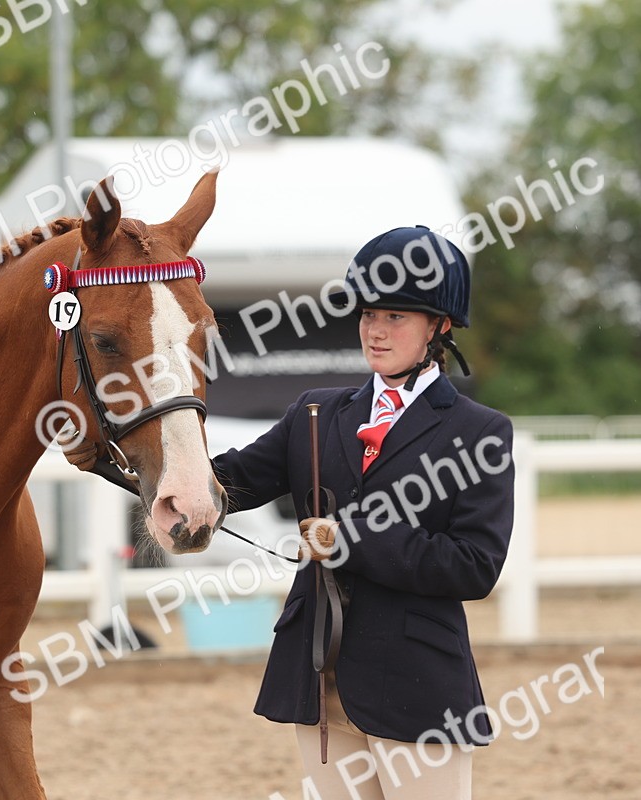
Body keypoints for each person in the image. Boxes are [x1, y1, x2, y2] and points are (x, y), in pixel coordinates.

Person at [211, 226, 514, 800]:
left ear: (439, 327)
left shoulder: (479, 432)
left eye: (397, 316)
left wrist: (351, 539)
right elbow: (233, 482)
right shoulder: (316, 413)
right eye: (369, 313)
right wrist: (145, 466)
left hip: (416, 678)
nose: (376, 330)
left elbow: (475, 566)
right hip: (318, 671)